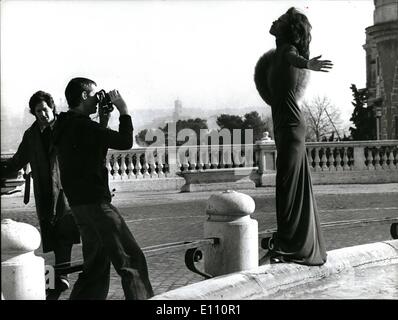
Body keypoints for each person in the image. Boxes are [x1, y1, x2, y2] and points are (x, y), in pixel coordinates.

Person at [53, 77, 154, 300]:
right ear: (84, 96)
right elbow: (125, 142)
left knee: (96, 267)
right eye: (94, 94)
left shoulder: (64, 125)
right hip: (97, 203)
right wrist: (123, 110)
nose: (98, 99)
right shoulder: (84, 126)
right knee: (131, 262)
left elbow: (91, 154)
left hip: (79, 205)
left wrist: (103, 120)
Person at [254, 7, 333, 265]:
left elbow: (295, 60)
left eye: (281, 20)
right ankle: (293, 243)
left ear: (287, 29)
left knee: (287, 187)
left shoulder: (288, 50)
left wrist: (308, 64)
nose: (274, 20)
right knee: (288, 185)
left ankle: (288, 246)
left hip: (290, 126)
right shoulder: (276, 55)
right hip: (284, 126)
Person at [1, 91, 80, 298]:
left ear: (52, 107)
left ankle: (63, 275)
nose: (43, 114)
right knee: (52, 229)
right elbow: (18, 160)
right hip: (44, 190)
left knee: (66, 227)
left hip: (66, 187)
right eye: (38, 111)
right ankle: (61, 275)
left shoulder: (67, 126)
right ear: (34, 114)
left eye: (45, 109)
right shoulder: (31, 135)